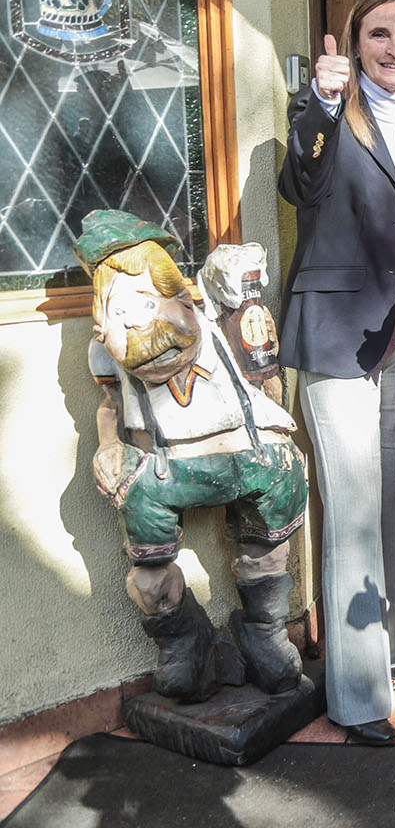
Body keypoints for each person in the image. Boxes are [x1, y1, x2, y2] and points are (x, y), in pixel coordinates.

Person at [278, 0, 395, 745]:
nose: (394, 48)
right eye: (379, 34)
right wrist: (316, 100)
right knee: (349, 515)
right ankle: (354, 697)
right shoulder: (325, 116)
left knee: (394, 502)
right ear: (354, 43)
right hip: (335, 335)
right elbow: (298, 181)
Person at [78, 211, 309, 704]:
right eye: (121, 314)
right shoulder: (107, 357)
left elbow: (265, 376)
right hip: (163, 470)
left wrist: (279, 429)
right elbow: (111, 406)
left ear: (181, 295)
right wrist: (109, 444)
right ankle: (185, 643)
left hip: (248, 455)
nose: (142, 324)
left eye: (148, 302)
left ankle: (263, 631)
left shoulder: (225, 322)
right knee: (149, 577)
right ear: (102, 324)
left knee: (270, 543)